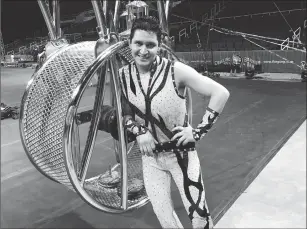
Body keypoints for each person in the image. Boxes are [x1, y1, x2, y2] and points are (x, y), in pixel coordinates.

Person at [100, 16, 230, 228]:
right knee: (165, 218)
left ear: (159, 46)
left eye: (150, 45)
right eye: (138, 43)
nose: (143, 50)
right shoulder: (123, 76)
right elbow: (124, 113)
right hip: (151, 159)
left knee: (199, 217)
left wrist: (197, 132)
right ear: (130, 43)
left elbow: (220, 93)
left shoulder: (175, 70)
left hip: (182, 156)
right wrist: (139, 130)